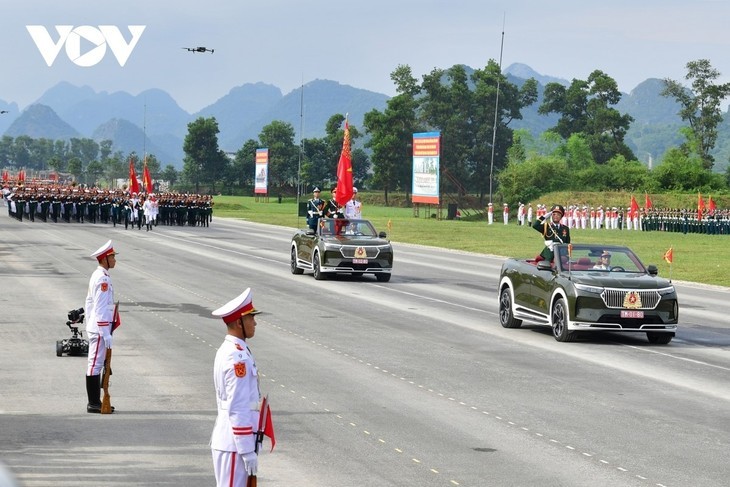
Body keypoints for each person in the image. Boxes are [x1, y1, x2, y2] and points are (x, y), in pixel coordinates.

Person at [211, 288, 264, 487]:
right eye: (251, 318)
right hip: (235, 445)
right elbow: (238, 405)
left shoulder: (233, 350)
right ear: (239, 323)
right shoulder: (236, 356)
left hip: (232, 442)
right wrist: (246, 450)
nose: (255, 323)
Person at [85, 240, 117, 414]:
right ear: (104, 259)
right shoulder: (102, 278)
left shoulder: (98, 275)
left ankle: (96, 401)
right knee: (95, 365)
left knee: (96, 364)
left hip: (96, 326)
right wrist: (105, 332)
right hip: (99, 329)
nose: (114, 260)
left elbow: (89, 304)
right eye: (112, 257)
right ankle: (93, 403)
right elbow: (100, 307)